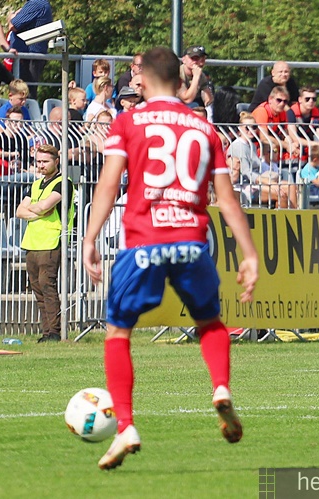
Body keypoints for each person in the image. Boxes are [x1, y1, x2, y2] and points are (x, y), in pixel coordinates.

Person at [81, 46, 259, 470]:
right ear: (181, 82)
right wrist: (248, 253)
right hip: (192, 244)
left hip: (143, 244)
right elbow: (228, 200)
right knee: (210, 322)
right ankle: (220, 388)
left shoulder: (128, 122)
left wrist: (89, 236)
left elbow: (109, 185)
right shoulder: (202, 127)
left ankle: (125, 425)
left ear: (141, 78)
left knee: (118, 331)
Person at [15, 144, 75, 343]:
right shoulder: (35, 184)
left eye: (45, 161)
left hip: (51, 241)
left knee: (47, 286)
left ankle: (55, 332)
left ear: (56, 161)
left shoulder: (62, 182)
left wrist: (34, 209)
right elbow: (20, 211)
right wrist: (36, 211)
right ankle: (46, 331)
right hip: (32, 242)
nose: (40, 165)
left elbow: (45, 206)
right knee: (37, 289)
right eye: (38, 161)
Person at [8, 0, 53, 99]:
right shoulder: (39, 3)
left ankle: (25, 113)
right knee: (23, 93)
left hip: (28, 58)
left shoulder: (36, 3)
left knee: (23, 93)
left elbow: (13, 25)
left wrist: (12, 16)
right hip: (27, 57)